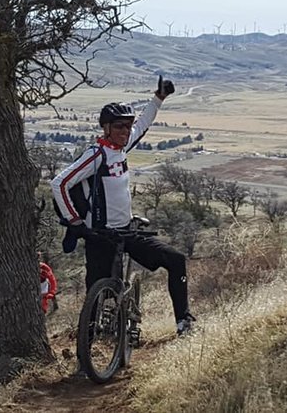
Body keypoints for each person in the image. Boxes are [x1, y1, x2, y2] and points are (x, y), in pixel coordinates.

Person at [51, 76, 196, 337]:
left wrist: (158, 99)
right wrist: (75, 222)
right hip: (101, 235)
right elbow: (59, 183)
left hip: (127, 230)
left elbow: (143, 125)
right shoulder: (97, 155)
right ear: (106, 128)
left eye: (126, 127)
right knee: (96, 292)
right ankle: (89, 348)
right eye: (118, 127)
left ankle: (183, 322)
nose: (125, 131)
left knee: (175, 260)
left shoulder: (122, 148)